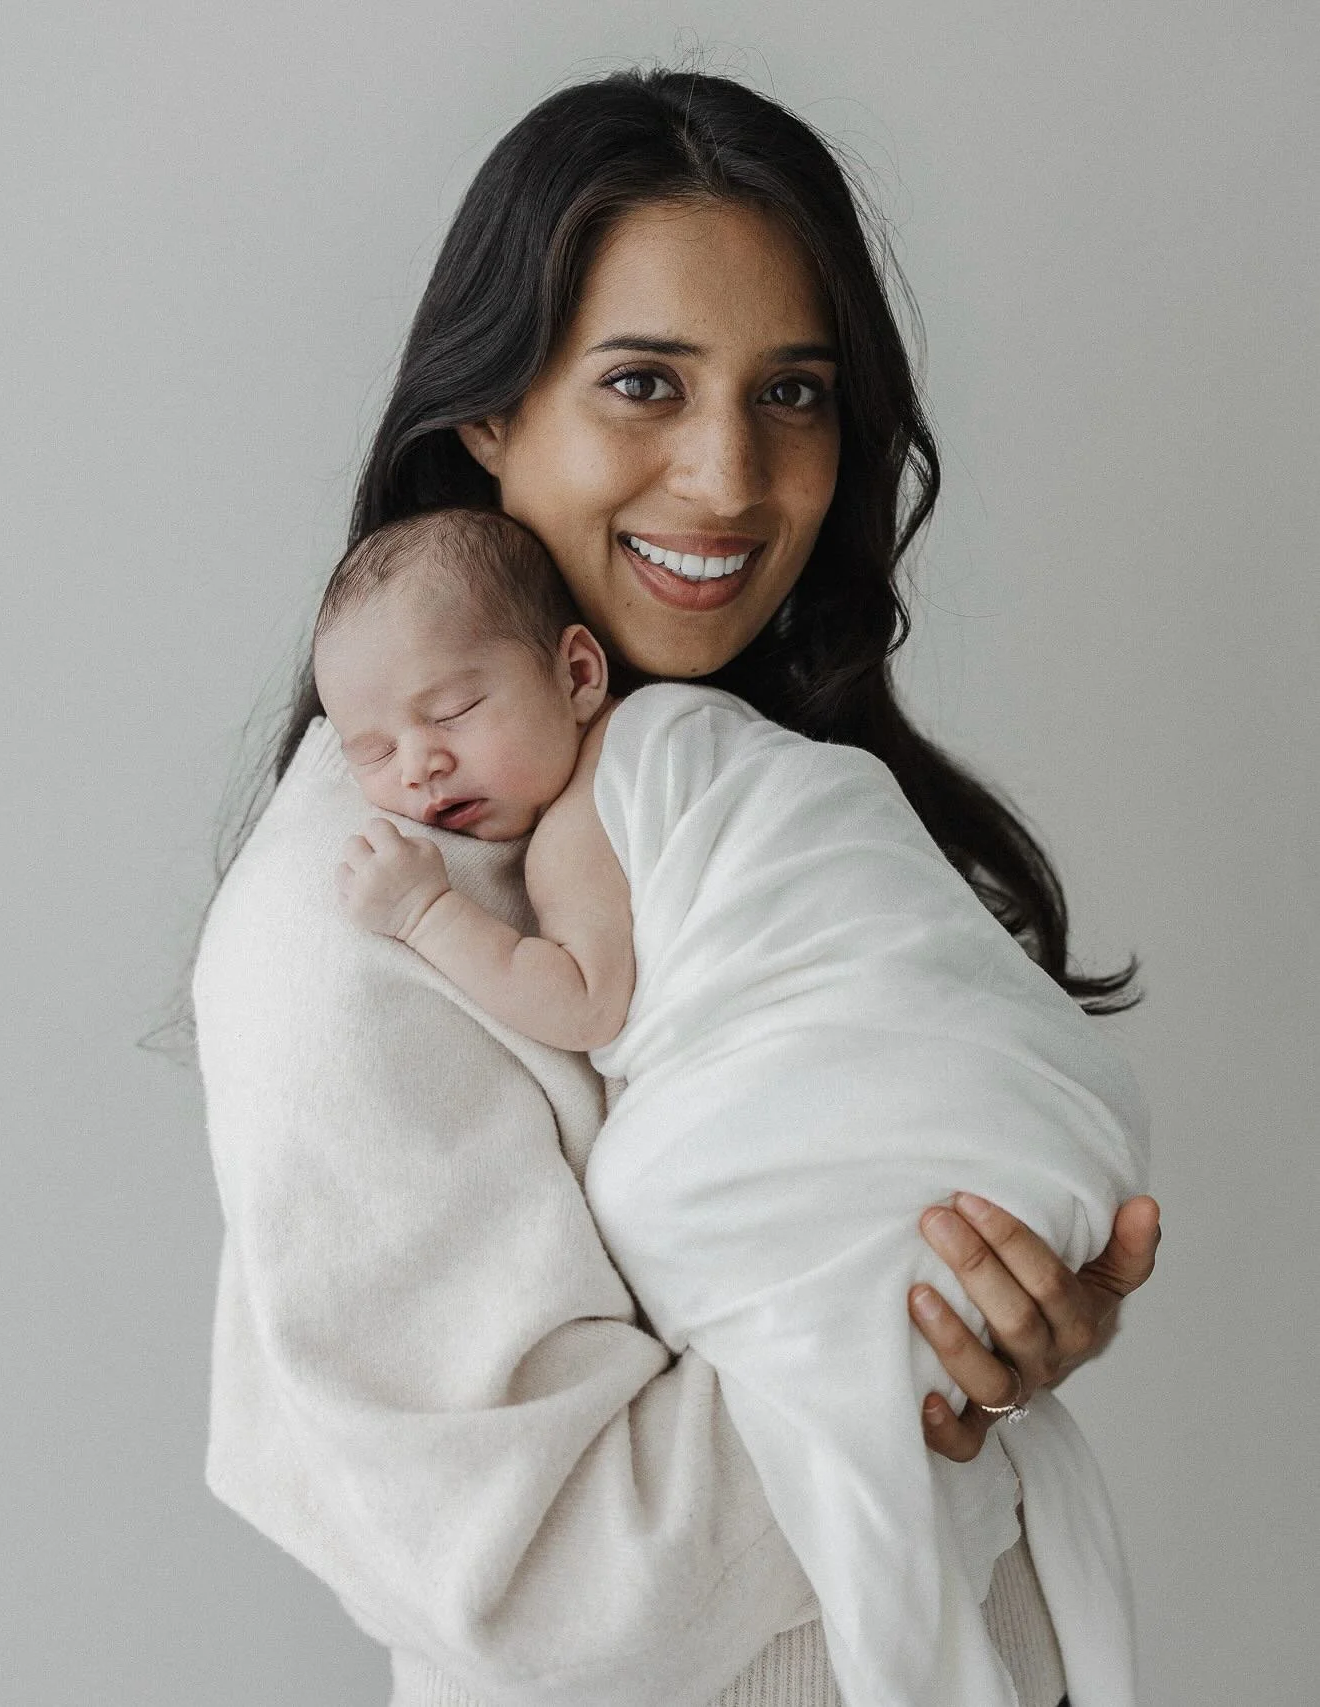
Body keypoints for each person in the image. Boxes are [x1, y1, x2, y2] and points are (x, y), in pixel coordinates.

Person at [192, 68, 1160, 1707]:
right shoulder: (343, 937)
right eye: (644, 382)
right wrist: (900, 1345)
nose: (726, 478)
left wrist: (997, 1309)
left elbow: (868, 1211)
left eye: (794, 393)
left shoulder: (734, 789)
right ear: (485, 415)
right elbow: (548, 1576)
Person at [311, 505, 1148, 1707]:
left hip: (881, 1093)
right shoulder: (702, 734)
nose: (418, 766)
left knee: (654, 1189)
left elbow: (587, 1001)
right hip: (1017, 1109)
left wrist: (429, 915)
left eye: (452, 714)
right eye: (370, 749)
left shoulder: (587, 811)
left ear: (577, 672)